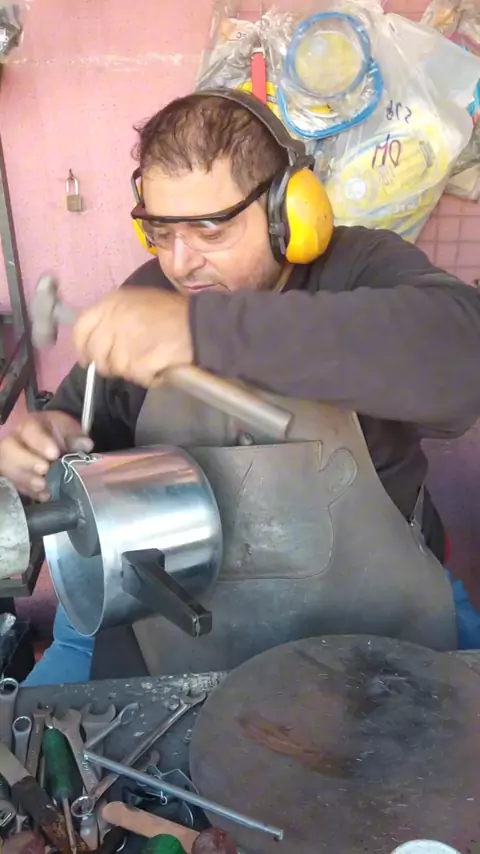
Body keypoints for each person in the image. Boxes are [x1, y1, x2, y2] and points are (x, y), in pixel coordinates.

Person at [4, 88, 480, 686]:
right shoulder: (149, 293)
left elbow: (463, 359)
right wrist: (47, 443)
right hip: (180, 639)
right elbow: (81, 429)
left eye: (211, 230)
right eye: (161, 231)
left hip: (375, 634)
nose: (181, 263)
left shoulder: (362, 270)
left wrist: (201, 333)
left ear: (287, 213)